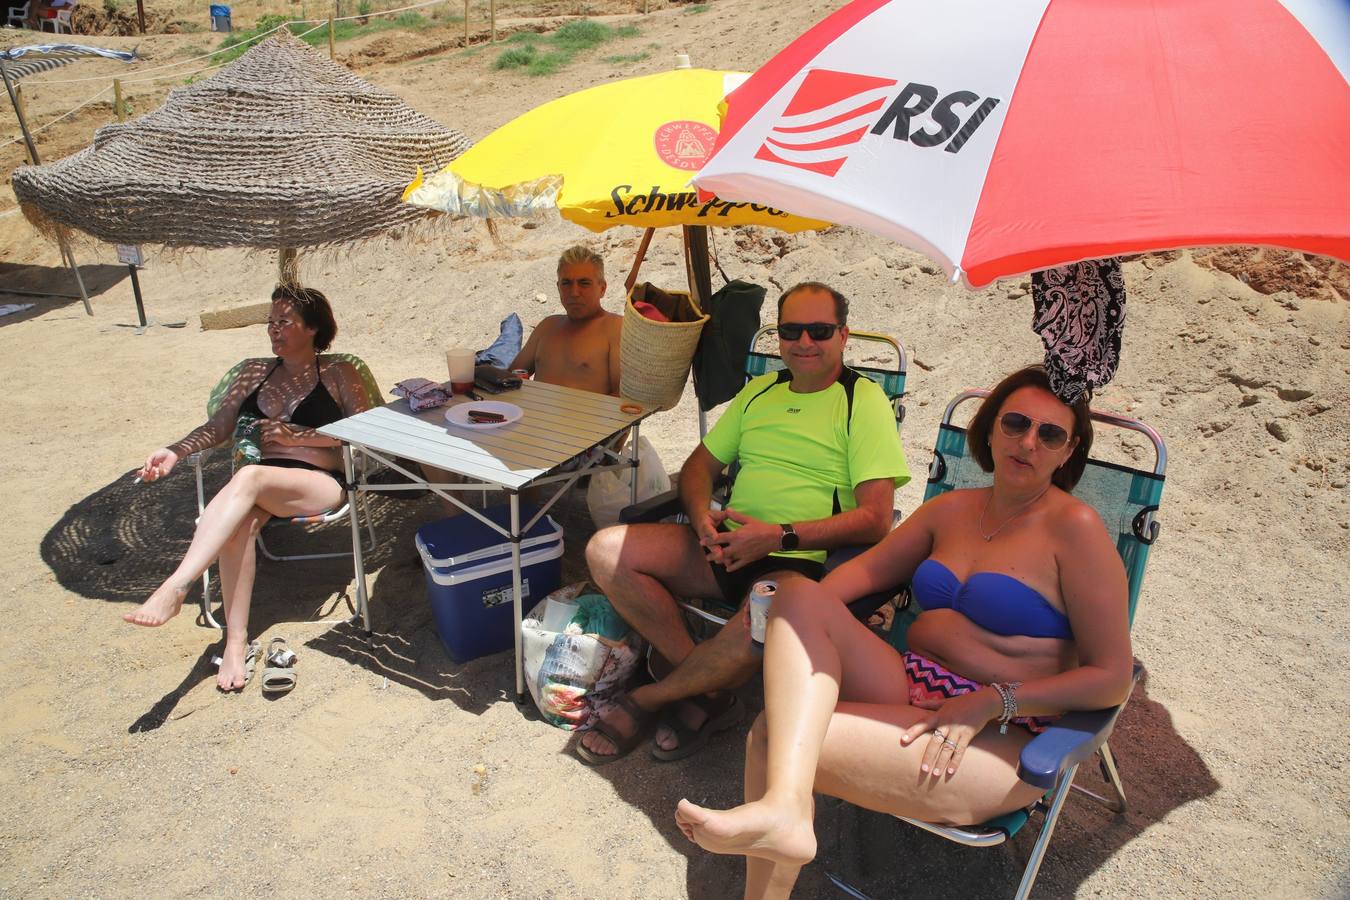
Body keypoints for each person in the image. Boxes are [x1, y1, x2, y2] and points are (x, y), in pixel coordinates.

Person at [673, 365, 1135, 899]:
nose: (1028, 442)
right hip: (913, 681)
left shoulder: (1075, 530)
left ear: (1068, 450)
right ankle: (787, 813)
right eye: (1015, 423)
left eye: (1049, 434)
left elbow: (1112, 678)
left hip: (1003, 730)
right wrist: (782, 618)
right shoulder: (952, 509)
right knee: (798, 592)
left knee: (772, 737)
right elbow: (862, 575)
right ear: (990, 429)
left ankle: (781, 829)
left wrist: (993, 701)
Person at [578, 282, 911, 764]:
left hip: (796, 564)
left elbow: (876, 519)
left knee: (763, 616)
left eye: (819, 331)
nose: (804, 342)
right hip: (725, 544)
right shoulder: (760, 392)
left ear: (842, 336)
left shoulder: (864, 402)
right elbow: (697, 469)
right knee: (605, 550)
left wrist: (775, 536)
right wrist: (699, 521)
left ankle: (651, 697)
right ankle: (705, 688)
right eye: (791, 330)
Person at [122, 285, 373, 691]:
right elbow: (217, 430)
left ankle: (178, 584)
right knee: (239, 524)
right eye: (270, 322)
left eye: (284, 322)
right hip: (258, 487)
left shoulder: (339, 373)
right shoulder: (253, 374)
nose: (273, 330)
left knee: (248, 477)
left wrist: (297, 437)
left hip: (320, 483)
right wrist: (174, 451)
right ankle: (235, 642)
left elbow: (368, 436)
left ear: (312, 328)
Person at [510, 245, 623, 396]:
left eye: (584, 283)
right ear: (558, 287)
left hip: (587, 418)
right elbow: (510, 376)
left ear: (602, 289)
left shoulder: (615, 328)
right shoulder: (547, 327)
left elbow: (622, 396)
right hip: (534, 417)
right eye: (566, 283)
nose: (574, 292)